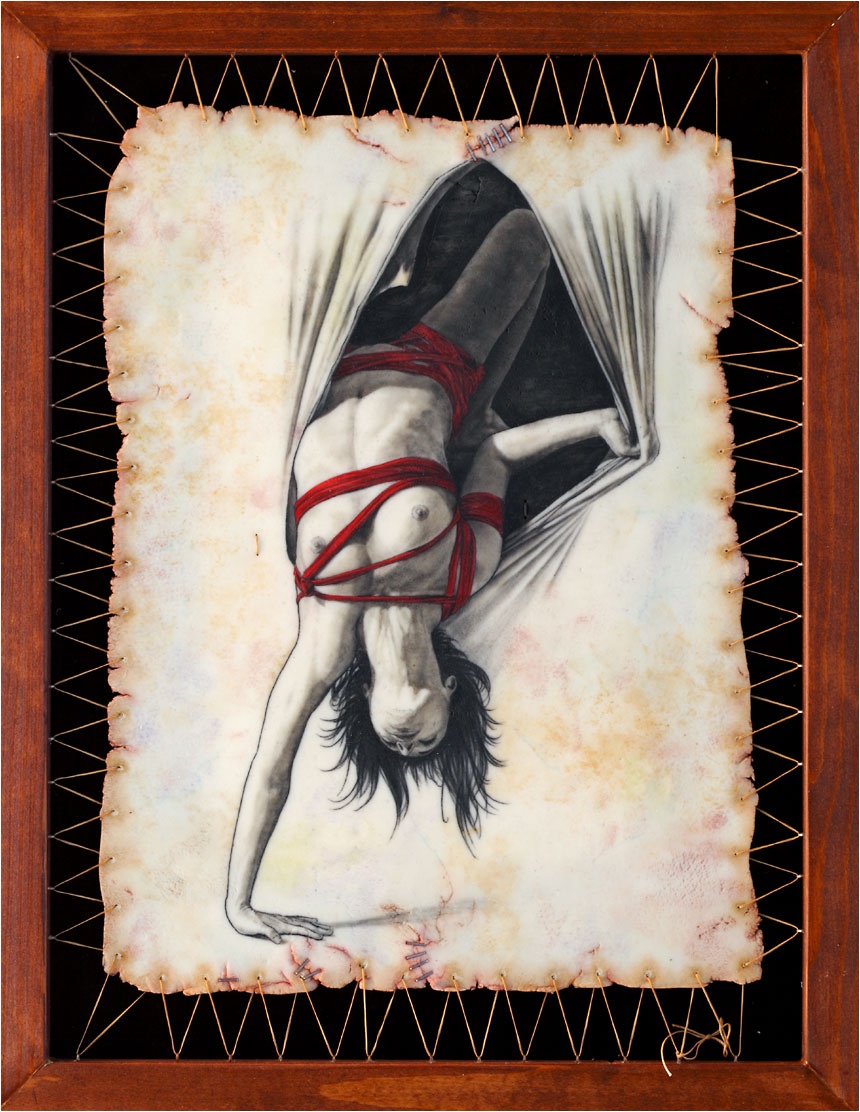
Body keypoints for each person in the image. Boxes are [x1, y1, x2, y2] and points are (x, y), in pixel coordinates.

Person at [226, 198, 633, 944]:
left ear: (367, 705)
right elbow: (498, 457)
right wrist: (594, 422)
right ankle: (471, 397)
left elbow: (271, 763)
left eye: (398, 746)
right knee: (530, 236)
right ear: (449, 694)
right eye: (431, 741)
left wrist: (238, 905)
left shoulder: (325, 640)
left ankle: (407, 282)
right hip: (427, 362)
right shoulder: (465, 575)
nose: (411, 743)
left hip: (326, 360)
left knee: (315, 222)